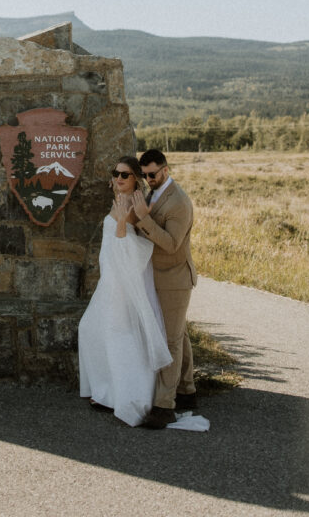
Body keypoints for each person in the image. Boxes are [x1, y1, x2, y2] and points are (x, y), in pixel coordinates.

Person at [78, 156, 172, 427]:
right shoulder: (119, 199)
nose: (118, 178)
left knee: (118, 332)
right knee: (93, 328)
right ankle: (107, 390)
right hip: (110, 276)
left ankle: (128, 395)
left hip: (122, 279)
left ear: (136, 180)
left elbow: (133, 248)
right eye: (116, 173)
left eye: (125, 175)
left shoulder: (133, 205)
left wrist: (121, 222)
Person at [133, 148, 197, 429]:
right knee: (179, 334)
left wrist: (144, 220)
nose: (148, 180)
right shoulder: (153, 194)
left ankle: (164, 406)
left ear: (166, 170)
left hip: (175, 279)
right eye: (144, 175)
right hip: (156, 277)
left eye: (152, 175)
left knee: (170, 340)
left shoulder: (179, 202)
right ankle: (187, 391)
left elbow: (171, 244)